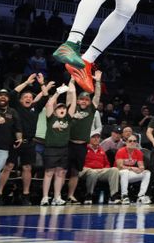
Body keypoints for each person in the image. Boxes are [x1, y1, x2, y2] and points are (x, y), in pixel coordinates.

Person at [0, 74, 52, 205]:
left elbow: (45, 97)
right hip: (14, 142)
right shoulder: (16, 107)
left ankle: (25, 194)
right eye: (25, 97)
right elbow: (13, 92)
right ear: (21, 100)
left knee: (27, 168)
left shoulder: (35, 108)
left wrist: (42, 83)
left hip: (30, 143)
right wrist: (27, 82)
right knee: (8, 166)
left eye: (30, 97)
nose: (28, 98)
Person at [66, 69, 102, 204]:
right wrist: (72, 79)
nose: (84, 101)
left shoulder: (91, 110)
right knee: (62, 171)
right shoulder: (72, 107)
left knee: (75, 172)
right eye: (81, 99)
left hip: (81, 145)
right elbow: (70, 93)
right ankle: (58, 196)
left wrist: (97, 81)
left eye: (86, 99)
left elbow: (97, 96)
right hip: (68, 143)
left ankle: (70, 196)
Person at [41, 81, 77, 206]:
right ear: (55, 111)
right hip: (51, 148)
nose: (62, 109)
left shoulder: (68, 118)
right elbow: (50, 103)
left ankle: (57, 197)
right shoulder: (51, 117)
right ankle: (45, 198)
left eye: (63, 108)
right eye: (59, 108)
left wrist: (72, 90)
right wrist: (57, 92)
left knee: (61, 173)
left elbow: (73, 105)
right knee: (49, 172)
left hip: (63, 149)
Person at [77, 131, 120, 204]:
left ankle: (113, 196)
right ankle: (89, 195)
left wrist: (105, 168)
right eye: (93, 137)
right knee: (92, 172)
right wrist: (88, 168)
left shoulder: (101, 150)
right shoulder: (83, 149)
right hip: (86, 170)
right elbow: (79, 163)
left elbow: (107, 164)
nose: (96, 139)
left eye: (98, 137)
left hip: (100, 171)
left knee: (114, 170)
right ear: (89, 139)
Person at [115, 134, 152, 204]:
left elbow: (141, 166)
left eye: (134, 141)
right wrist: (132, 168)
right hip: (119, 174)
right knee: (125, 171)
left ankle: (141, 196)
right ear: (126, 142)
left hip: (129, 174)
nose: (132, 142)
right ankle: (124, 195)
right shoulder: (121, 151)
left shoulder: (138, 152)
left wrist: (141, 169)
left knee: (147, 173)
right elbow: (120, 166)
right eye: (130, 141)